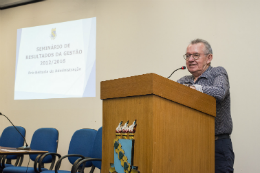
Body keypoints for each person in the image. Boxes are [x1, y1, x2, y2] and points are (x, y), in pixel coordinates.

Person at [177, 39, 234, 173]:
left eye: (196, 55)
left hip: (218, 144)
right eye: (188, 56)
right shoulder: (183, 80)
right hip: (190, 145)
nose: (191, 59)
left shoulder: (218, 73)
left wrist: (194, 89)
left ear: (209, 58)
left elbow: (220, 92)